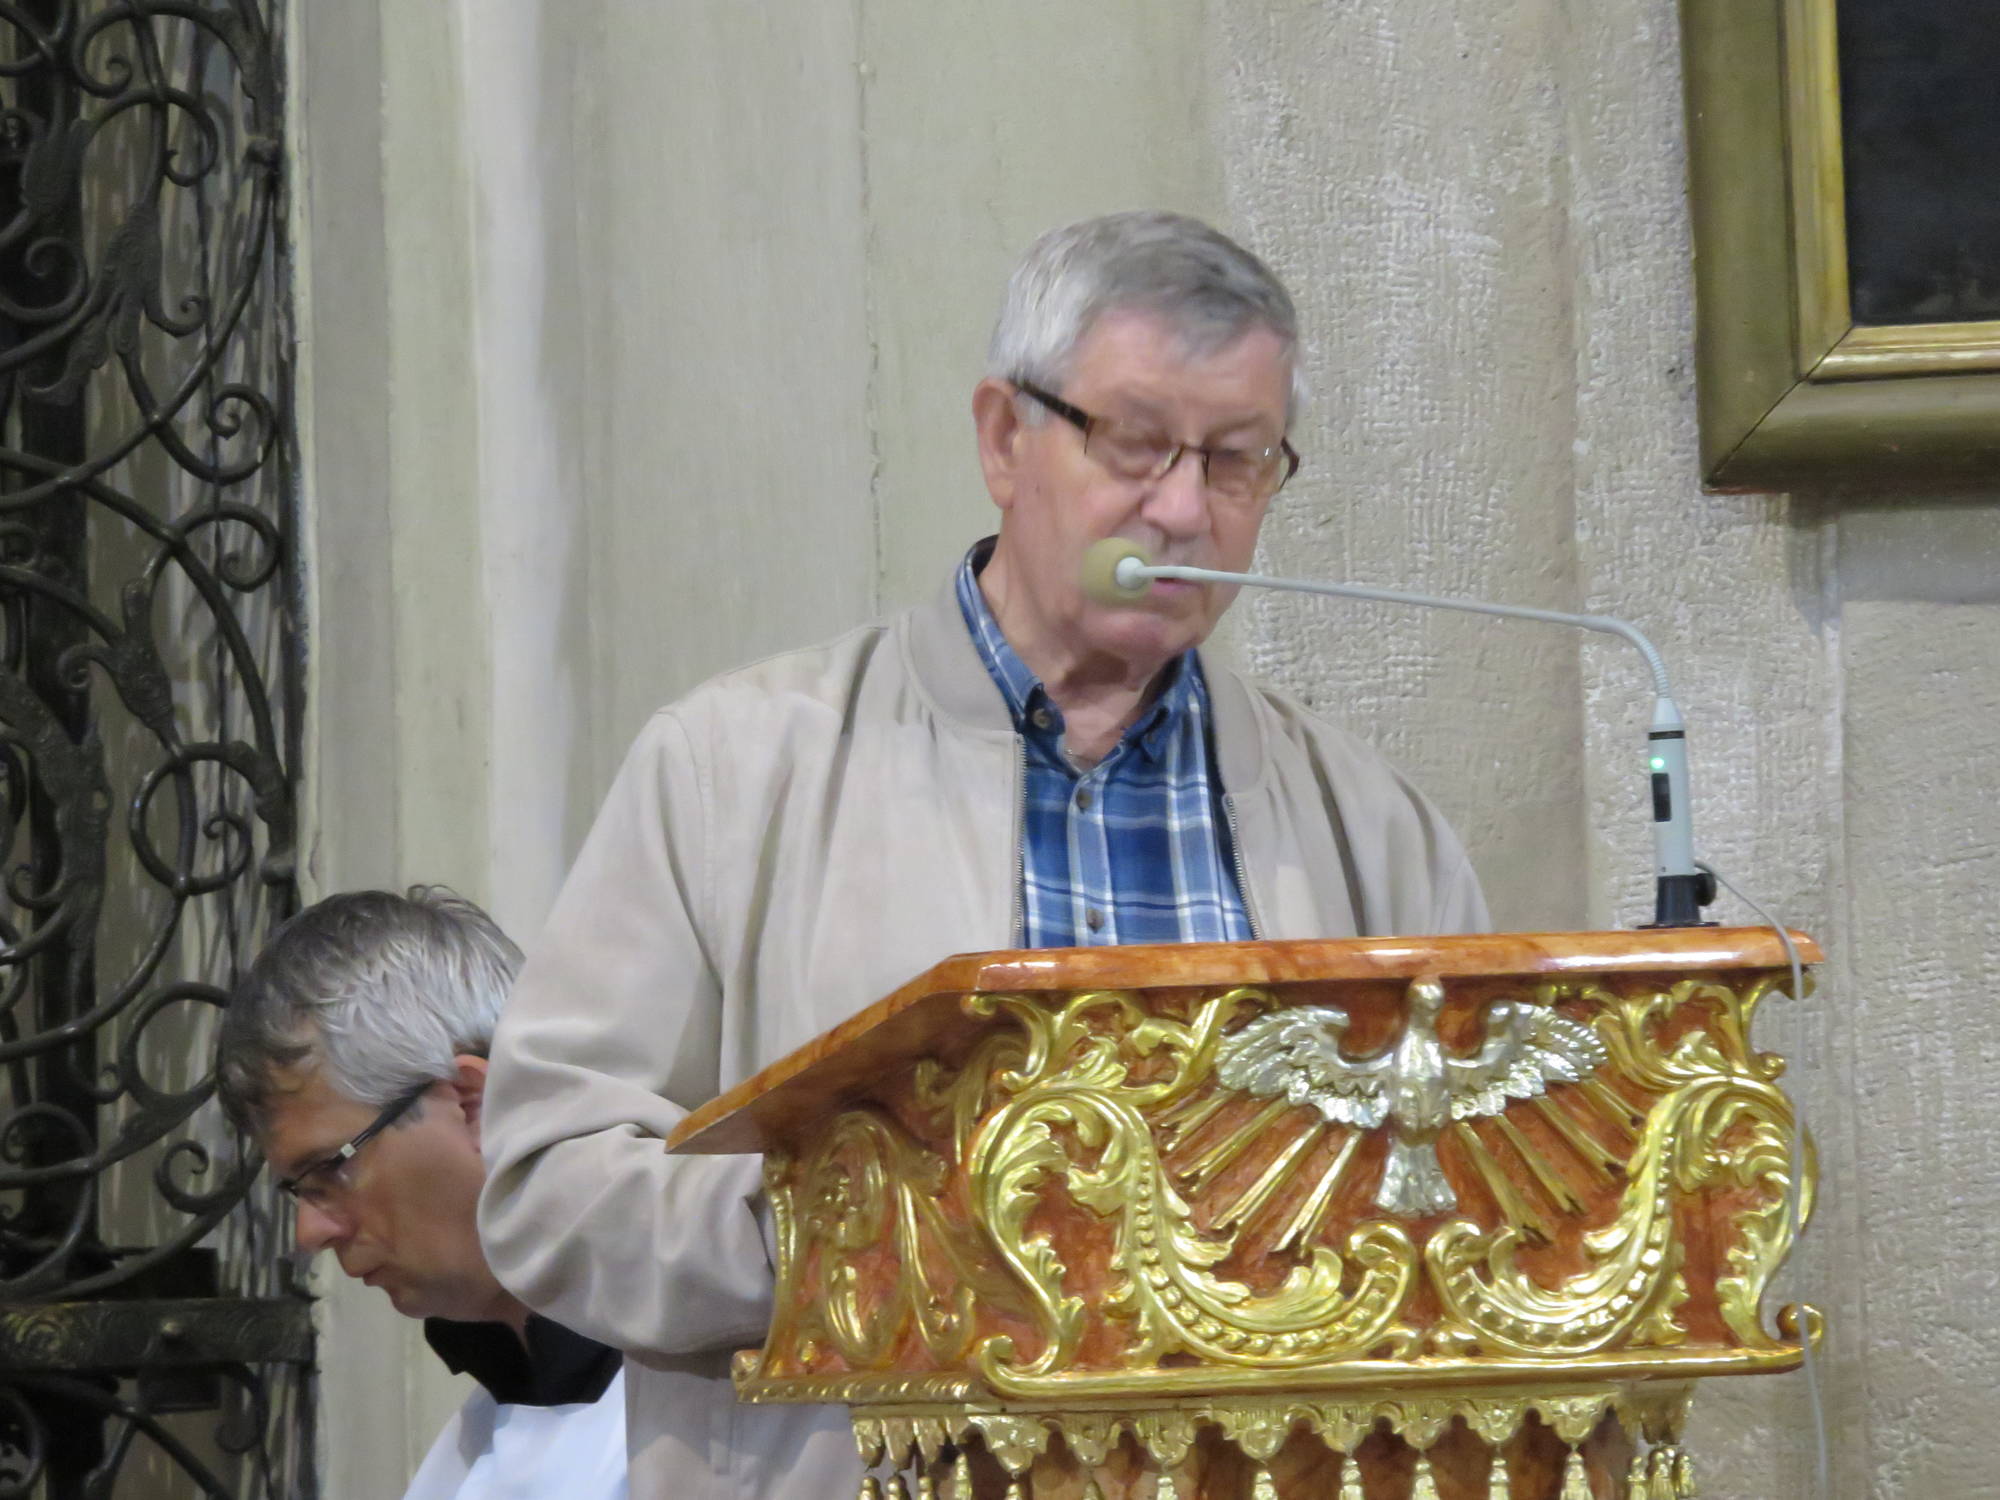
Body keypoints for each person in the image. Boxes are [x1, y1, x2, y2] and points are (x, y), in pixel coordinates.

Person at [478, 211, 1488, 1500]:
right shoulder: (733, 768)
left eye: (1235, 461)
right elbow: (546, 1189)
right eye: (1135, 443)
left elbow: (1472, 1216)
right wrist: (868, 1239)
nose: (1182, 509)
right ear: (1005, 438)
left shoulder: (1371, 828)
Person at [216, 889, 628, 1500]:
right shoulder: (480, 1432)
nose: (310, 1232)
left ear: (474, 1104)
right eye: (299, 1190)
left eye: (330, 1168)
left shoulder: (716, 1403)